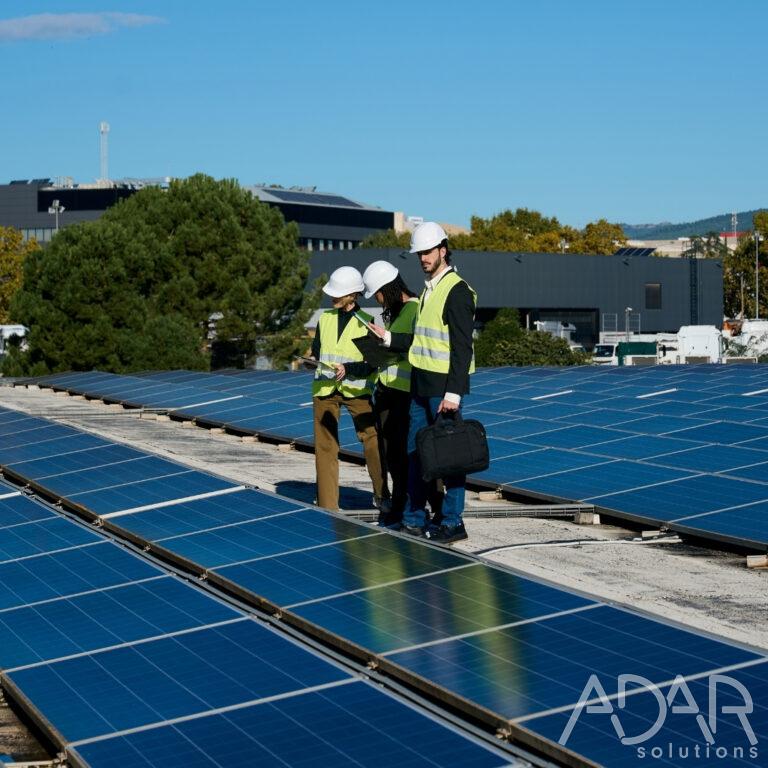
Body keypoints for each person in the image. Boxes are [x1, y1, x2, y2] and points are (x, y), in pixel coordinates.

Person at [369, 222, 476, 543]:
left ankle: (453, 522)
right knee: (415, 453)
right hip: (420, 386)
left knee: (449, 458)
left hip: (443, 390)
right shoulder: (430, 289)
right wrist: (388, 338)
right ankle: (413, 519)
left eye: (427, 252)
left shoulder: (456, 290)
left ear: (443, 250)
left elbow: (461, 347)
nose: (423, 258)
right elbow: (422, 340)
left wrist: (454, 393)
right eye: (419, 254)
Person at [309, 266, 387, 513]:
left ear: (353, 294)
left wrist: (349, 368)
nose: (333, 297)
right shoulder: (325, 319)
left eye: (338, 293)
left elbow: (374, 363)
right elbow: (318, 351)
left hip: (357, 391)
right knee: (325, 447)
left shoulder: (369, 323)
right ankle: (328, 505)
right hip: (325, 389)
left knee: (373, 443)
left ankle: (383, 496)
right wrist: (314, 359)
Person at [361, 261, 420, 527]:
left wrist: (387, 340)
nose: (378, 300)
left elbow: (414, 347)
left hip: (404, 393)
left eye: (379, 294)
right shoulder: (397, 312)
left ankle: (405, 508)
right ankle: (398, 506)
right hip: (386, 390)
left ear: (390, 288)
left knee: (402, 455)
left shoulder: (416, 310)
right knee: (391, 454)